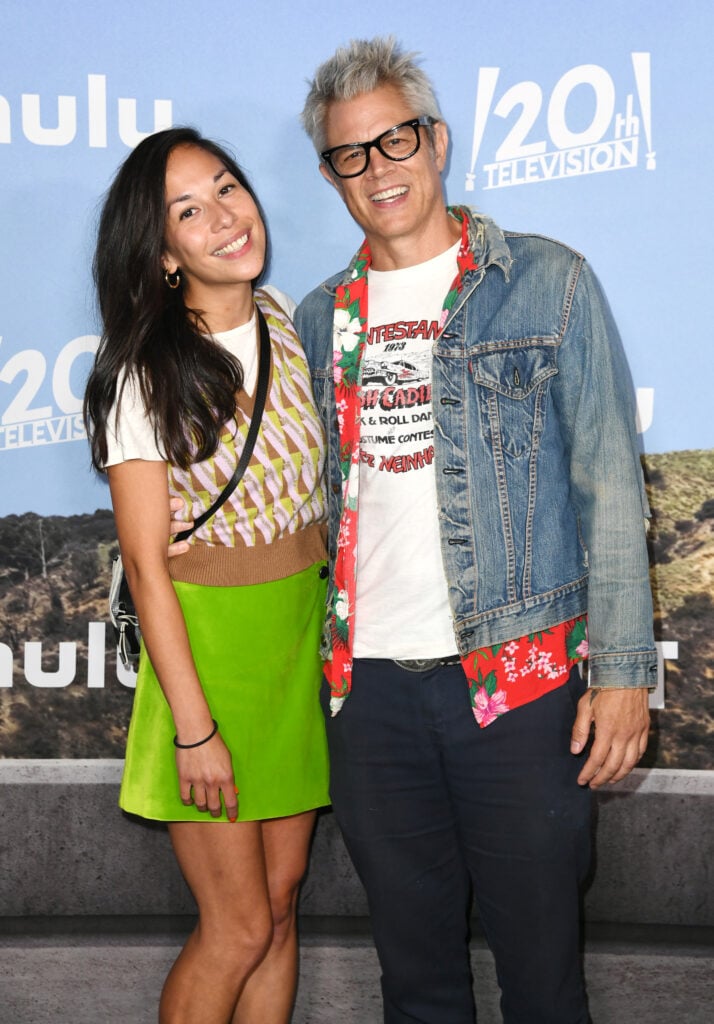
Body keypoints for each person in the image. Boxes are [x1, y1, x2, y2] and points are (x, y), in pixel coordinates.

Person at [290, 37, 657, 1024]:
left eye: (394, 139)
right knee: (415, 986)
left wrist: (623, 673)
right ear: (332, 177)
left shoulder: (549, 282)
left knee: (542, 982)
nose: (378, 169)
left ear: (437, 140)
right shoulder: (321, 319)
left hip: (517, 689)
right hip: (369, 699)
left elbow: (609, 488)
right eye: (350, 155)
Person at [83, 127, 329, 1024]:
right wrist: (195, 730)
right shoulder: (141, 374)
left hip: (293, 645)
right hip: (209, 660)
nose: (226, 216)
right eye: (191, 210)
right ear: (163, 253)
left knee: (281, 903)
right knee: (234, 926)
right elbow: (148, 567)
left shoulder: (290, 324)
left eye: (228, 187)